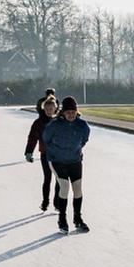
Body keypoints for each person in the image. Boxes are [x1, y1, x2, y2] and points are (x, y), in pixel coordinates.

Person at [41, 95, 92, 233]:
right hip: (57, 161)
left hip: (74, 160)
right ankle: (62, 219)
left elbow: (84, 139)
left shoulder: (82, 125)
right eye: (68, 112)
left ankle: (78, 219)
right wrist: (56, 152)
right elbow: (46, 139)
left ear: (77, 112)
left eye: (73, 112)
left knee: (78, 189)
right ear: (63, 112)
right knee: (64, 186)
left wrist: (75, 150)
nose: (71, 115)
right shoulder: (54, 125)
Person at [24, 95, 60, 211]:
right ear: (44, 109)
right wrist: (29, 152)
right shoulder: (39, 122)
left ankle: (57, 202)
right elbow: (32, 138)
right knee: (47, 178)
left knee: (59, 179)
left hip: (59, 155)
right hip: (46, 154)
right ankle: (45, 201)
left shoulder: (59, 121)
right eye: (47, 109)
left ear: (55, 108)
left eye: (51, 109)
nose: (49, 111)